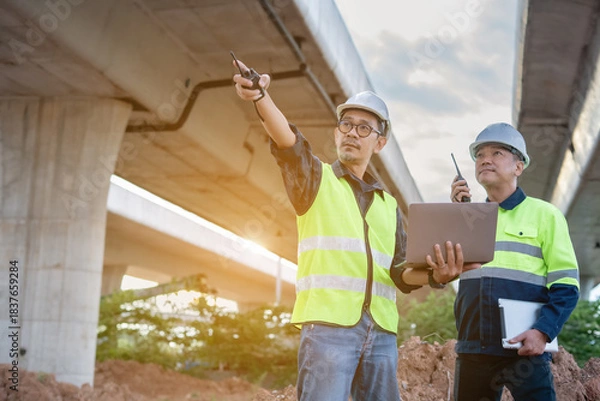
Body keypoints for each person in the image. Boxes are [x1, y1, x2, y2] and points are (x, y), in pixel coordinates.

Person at [233, 59, 476, 401]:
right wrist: (260, 96)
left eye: (364, 128)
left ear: (380, 142)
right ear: (336, 132)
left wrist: (438, 276)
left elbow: (400, 273)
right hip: (329, 329)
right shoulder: (316, 180)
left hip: (381, 333)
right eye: (346, 124)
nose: (351, 132)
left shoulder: (389, 206)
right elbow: (289, 144)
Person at [450, 122, 580, 401]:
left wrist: (543, 332)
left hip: (525, 349)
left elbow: (567, 285)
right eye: (480, 154)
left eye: (497, 153)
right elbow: (441, 275)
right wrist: (457, 216)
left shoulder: (546, 215)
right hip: (473, 349)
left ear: (518, 167)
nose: (485, 159)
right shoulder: (466, 217)